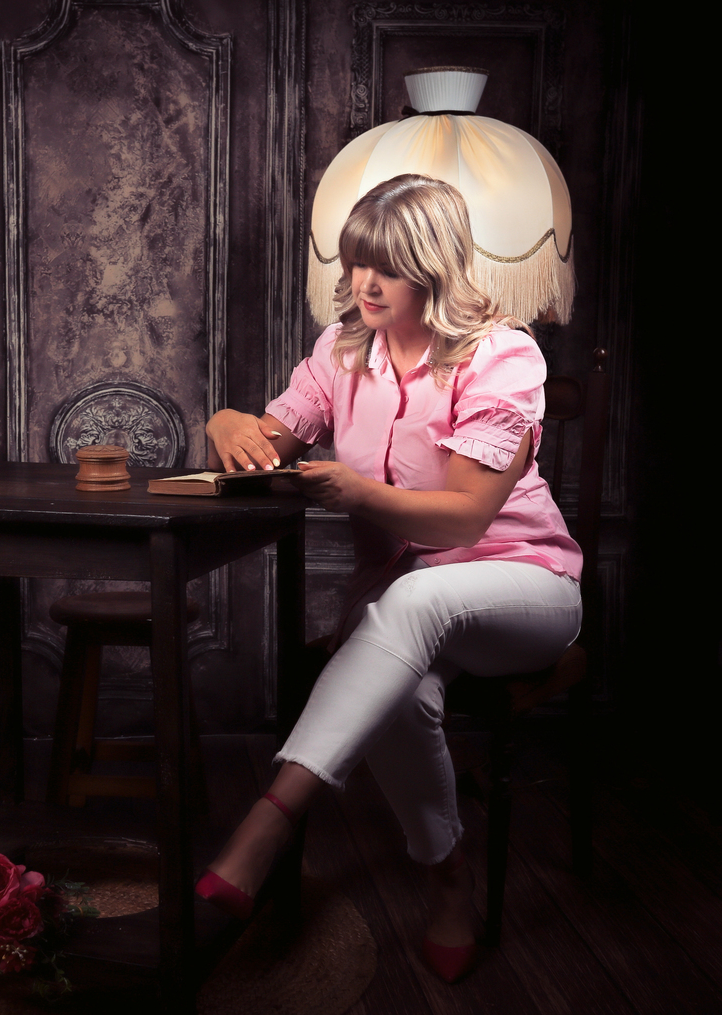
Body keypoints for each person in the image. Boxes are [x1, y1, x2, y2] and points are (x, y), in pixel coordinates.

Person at [195, 174, 582, 983]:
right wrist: (226, 424)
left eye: (390, 267)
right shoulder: (341, 350)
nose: (365, 284)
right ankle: (447, 876)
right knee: (401, 682)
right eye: (358, 262)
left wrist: (359, 492)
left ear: (435, 267)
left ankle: (269, 820)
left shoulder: (502, 355)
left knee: (411, 599)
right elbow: (268, 443)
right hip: (403, 607)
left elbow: (465, 521)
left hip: (525, 586)